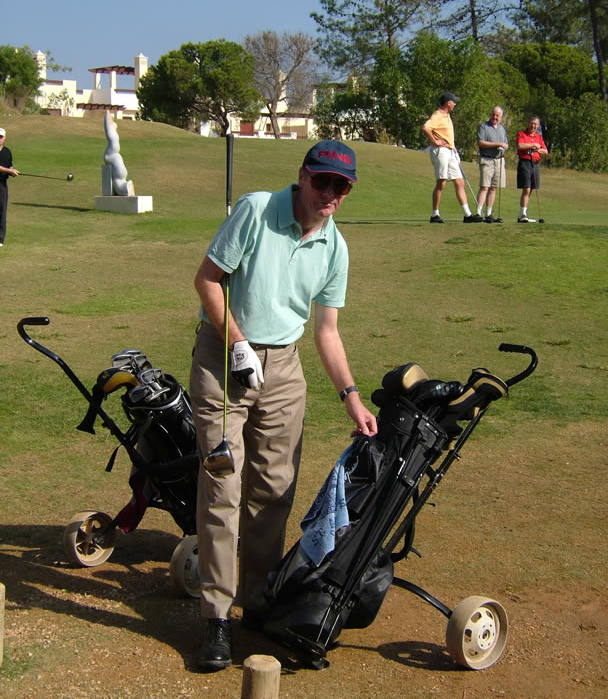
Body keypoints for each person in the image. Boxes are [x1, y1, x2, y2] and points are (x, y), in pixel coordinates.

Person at [190, 139, 378, 672]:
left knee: (273, 490)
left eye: (341, 186)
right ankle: (217, 615)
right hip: (224, 357)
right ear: (303, 175)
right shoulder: (256, 210)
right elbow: (207, 280)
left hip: (285, 368)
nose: (330, 194)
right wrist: (238, 345)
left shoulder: (335, 247)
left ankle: (257, 602)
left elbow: (327, 331)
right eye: (323, 181)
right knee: (223, 486)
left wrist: (352, 398)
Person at [422, 92, 482, 224]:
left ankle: (467, 215)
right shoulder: (438, 115)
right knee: (441, 183)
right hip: (441, 151)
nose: (455, 104)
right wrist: (434, 141)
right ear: (448, 103)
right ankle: (435, 215)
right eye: (453, 102)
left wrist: (453, 147)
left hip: (450, 151)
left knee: (459, 181)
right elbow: (426, 127)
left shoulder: (447, 116)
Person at [476, 106, 508, 224]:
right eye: (493, 115)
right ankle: (478, 213)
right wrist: (498, 144)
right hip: (487, 159)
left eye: (497, 115)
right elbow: (481, 142)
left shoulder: (502, 128)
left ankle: (488, 214)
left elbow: (506, 144)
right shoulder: (484, 126)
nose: (495, 117)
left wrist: (503, 146)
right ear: (490, 114)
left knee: (493, 188)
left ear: (501, 117)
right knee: (484, 186)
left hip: (499, 160)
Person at [516, 116, 548, 223]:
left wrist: (536, 149)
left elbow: (545, 151)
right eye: (531, 123)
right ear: (528, 123)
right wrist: (533, 145)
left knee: (531, 189)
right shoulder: (522, 134)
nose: (533, 125)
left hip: (535, 163)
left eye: (535, 124)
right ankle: (522, 214)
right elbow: (520, 146)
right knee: (526, 188)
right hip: (525, 162)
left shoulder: (539, 136)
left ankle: (523, 213)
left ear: (538, 126)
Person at [0, 128, 20, 247]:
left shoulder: (7, 151)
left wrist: (12, 171)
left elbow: (10, 165)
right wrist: (8, 170)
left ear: (5, 138)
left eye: (1, 137)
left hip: (2, 185)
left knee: (2, 211)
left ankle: (0, 239)